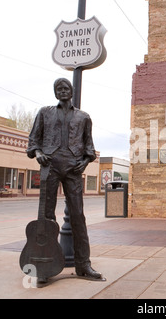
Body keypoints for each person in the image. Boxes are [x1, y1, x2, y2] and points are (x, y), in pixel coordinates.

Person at [27, 78, 104, 282]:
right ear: (55, 93)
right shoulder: (44, 112)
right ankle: (44, 266)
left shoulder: (83, 117)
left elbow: (89, 146)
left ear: (71, 91)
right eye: (58, 89)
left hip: (73, 168)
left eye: (65, 88)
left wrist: (85, 162)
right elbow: (33, 140)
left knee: (78, 215)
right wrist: (38, 153)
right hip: (50, 165)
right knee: (46, 216)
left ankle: (83, 264)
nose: (62, 91)